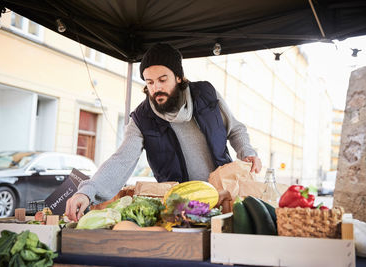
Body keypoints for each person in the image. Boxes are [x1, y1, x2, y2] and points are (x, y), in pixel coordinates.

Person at [65, 43, 262, 221]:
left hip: (224, 195)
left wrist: (247, 151)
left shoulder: (206, 95)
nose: (156, 88)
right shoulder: (142, 119)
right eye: (149, 82)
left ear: (178, 77)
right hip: (181, 209)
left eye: (162, 79)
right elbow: (121, 159)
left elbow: (235, 129)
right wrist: (87, 191)